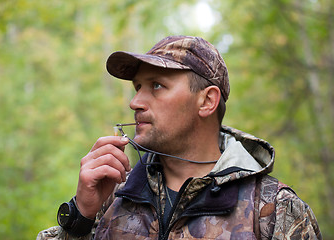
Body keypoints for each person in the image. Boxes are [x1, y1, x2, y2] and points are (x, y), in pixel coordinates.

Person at [37, 36, 322, 240]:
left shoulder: (273, 210)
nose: (135, 101)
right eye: (137, 87)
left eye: (157, 86)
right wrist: (80, 218)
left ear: (207, 101)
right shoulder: (111, 196)